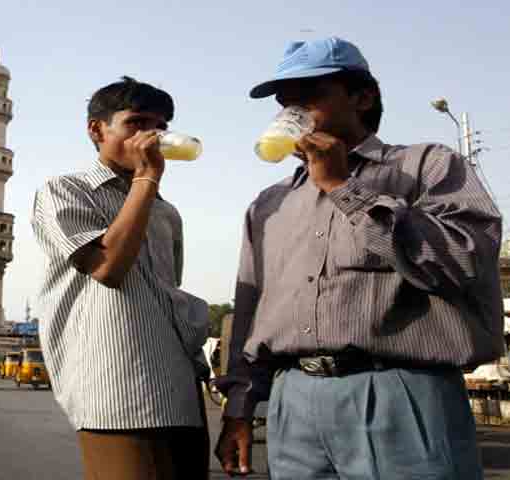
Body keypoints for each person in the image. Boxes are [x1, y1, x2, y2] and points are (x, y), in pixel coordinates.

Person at [215, 37, 504, 479]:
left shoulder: (428, 166)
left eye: (309, 98)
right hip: (294, 400)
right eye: (284, 104)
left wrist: (341, 186)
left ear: (363, 97)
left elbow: (461, 262)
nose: (291, 116)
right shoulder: (269, 205)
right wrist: (239, 406)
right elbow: (252, 313)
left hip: (401, 395)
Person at [31, 76, 210, 479]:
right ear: (97, 129)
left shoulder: (165, 212)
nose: (153, 136)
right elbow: (108, 269)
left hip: (179, 386)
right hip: (117, 388)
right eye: (138, 123)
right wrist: (146, 179)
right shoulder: (66, 191)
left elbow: (166, 294)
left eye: (161, 127)